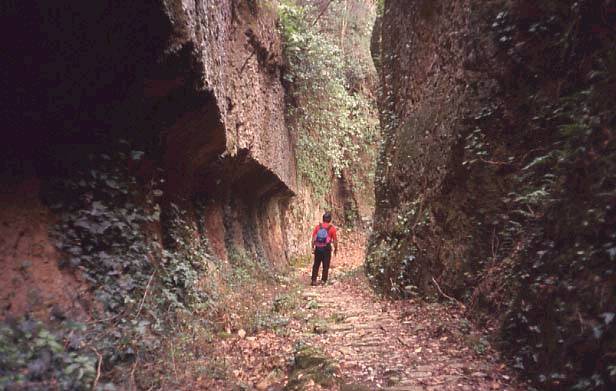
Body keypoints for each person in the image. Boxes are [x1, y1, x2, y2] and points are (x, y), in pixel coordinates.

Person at [311, 212, 338, 286]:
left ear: (323, 219)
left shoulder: (318, 227)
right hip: (326, 248)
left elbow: (313, 239)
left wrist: (313, 248)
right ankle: (323, 281)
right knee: (326, 265)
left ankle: (313, 280)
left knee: (316, 264)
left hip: (318, 248)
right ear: (330, 219)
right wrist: (336, 249)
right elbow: (335, 240)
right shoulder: (332, 228)